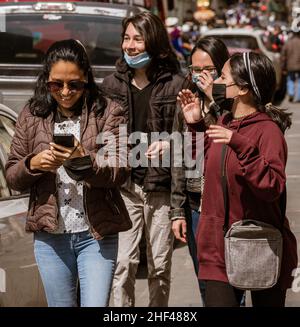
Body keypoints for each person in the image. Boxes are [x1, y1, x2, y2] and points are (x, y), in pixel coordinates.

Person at [5, 39, 131, 307]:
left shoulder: (109, 112)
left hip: (95, 235)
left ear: (86, 79)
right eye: (56, 84)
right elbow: (12, 175)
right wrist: (34, 164)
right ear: (46, 80)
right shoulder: (32, 114)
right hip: (51, 237)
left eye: (74, 84)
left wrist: (81, 161)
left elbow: (121, 169)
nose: (64, 91)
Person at [178, 51, 298, 307]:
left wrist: (241, 145)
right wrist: (196, 126)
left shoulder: (268, 131)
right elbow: (204, 165)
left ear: (242, 88)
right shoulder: (224, 121)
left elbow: (271, 186)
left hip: (258, 245)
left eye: (222, 76)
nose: (215, 81)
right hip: (216, 247)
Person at [101, 11, 185, 307]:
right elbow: (100, 136)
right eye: (127, 38)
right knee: (123, 265)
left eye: (138, 38)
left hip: (159, 187)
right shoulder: (110, 85)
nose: (131, 45)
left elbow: (192, 139)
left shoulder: (176, 84)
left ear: (155, 43)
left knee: (160, 267)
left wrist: (170, 143)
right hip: (124, 189)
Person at [170, 36, 229, 305]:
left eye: (208, 71)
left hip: (227, 208)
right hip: (194, 207)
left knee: (229, 288)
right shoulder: (185, 99)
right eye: (195, 70)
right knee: (205, 285)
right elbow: (179, 159)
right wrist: (177, 211)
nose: (200, 76)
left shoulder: (231, 102)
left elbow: (229, 141)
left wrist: (211, 99)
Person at [281, 27, 300, 102]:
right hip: (299, 65)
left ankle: (291, 93)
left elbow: (283, 55)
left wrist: (283, 66)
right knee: (299, 81)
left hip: (290, 65)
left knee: (290, 79)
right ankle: (298, 97)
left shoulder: (288, 43)